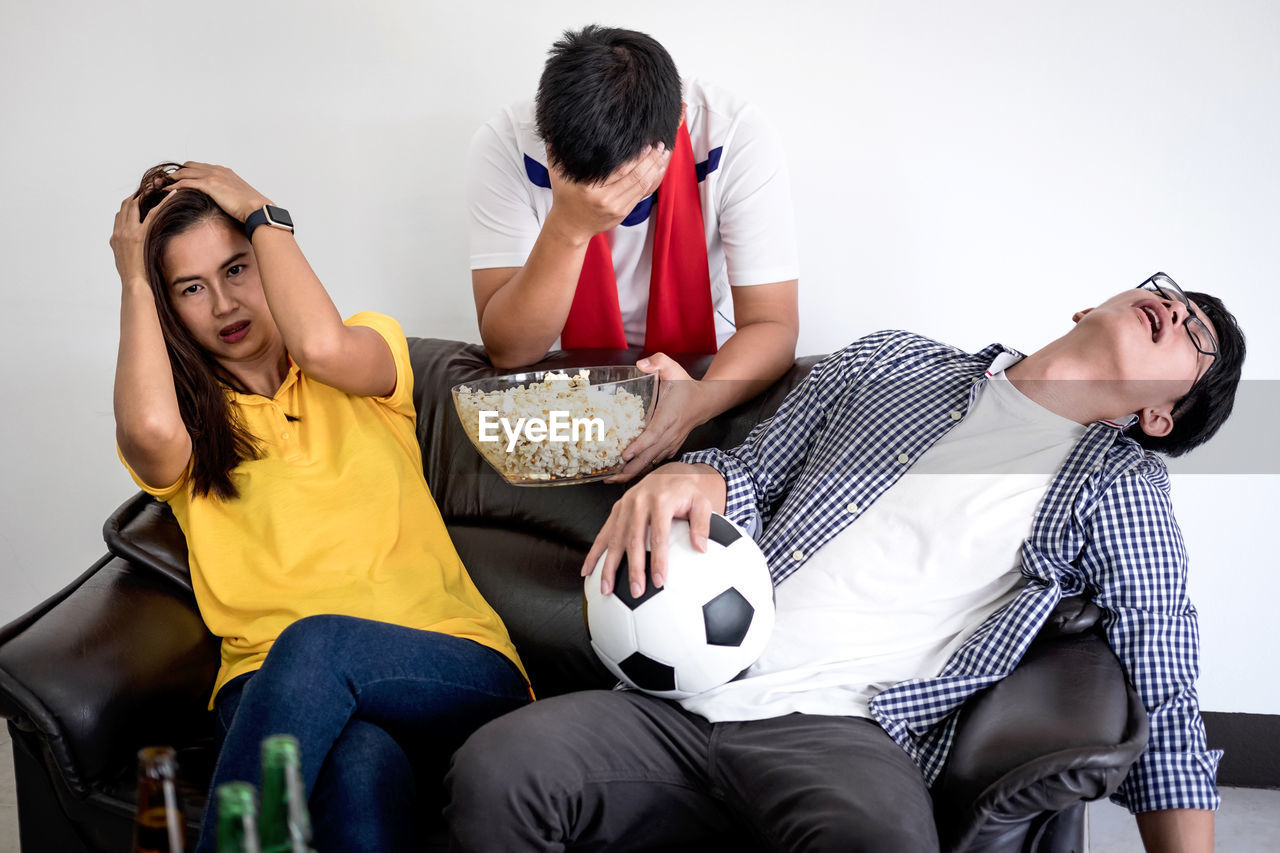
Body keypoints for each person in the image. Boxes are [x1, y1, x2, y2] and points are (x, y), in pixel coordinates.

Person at [445, 274, 1245, 852]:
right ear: (1085, 305)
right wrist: (696, 472)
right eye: (1168, 292)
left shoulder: (1119, 488)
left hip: (846, 730)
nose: (1174, 309)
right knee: (497, 768)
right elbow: (757, 471)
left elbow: (1164, 690)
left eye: (1195, 334)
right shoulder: (892, 362)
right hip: (688, 691)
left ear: (1159, 414)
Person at [110, 161, 531, 852]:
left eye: (237, 268)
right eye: (191, 288)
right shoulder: (187, 429)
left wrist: (257, 206)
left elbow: (320, 342)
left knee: (315, 640)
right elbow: (152, 434)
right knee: (360, 766)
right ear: (168, 308)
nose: (224, 304)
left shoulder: (362, 359)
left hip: (453, 665)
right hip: (270, 689)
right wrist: (133, 278)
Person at [467, 25, 800, 481]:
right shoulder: (506, 142)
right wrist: (568, 226)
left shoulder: (735, 135)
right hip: (569, 380)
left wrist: (697, 402)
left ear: (678, 119)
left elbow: (773, 323)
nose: (608, 199)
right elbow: (509, 351)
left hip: (709, 373)